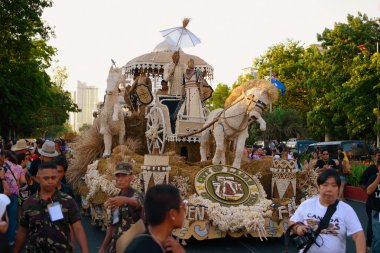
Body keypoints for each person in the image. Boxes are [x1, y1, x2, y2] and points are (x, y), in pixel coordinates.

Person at [13, 162, 89, 253]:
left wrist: (85, 250)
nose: (50, 181)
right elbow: (22, 231)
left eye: (53, 178)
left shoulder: (67, 201)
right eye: (46, 178)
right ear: (38, 179)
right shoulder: (28, 204)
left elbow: (78, 228)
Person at [290, 169, 366, 253]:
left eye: (334, 185)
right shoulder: (307, 204)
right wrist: (297, 228)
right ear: (318, 187)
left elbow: (359, 235)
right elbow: (292, 221)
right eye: (325, 185)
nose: (329, 189)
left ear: (338, 188)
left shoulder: (346, 209)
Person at [124, 184, 186, 253]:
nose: (184, 210)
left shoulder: (168, 244)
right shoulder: (142, 248)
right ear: (172, 214)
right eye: (183, 207)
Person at [98, 162, 143, 253]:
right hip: (116, 247)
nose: (120, 179)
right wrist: (103, 247)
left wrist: (124, 200)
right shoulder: (115, 199)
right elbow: (112, 226)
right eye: (118, 176)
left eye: (124, 176)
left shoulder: (136, 194)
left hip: (132, 247)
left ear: (131, 177)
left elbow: (136, 202)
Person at [360, 148, 380, 250]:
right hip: (372, 204)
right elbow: (362, 183)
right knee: (372, 225)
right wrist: (370, 192)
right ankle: (368, 244)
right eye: (378, 155)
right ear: (375, 156)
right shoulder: (371, 170)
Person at [366, 153, 380, 253]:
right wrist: (379, 177)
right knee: (378, 238)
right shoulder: (373, 178)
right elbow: (369, 191)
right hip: (377, 212)